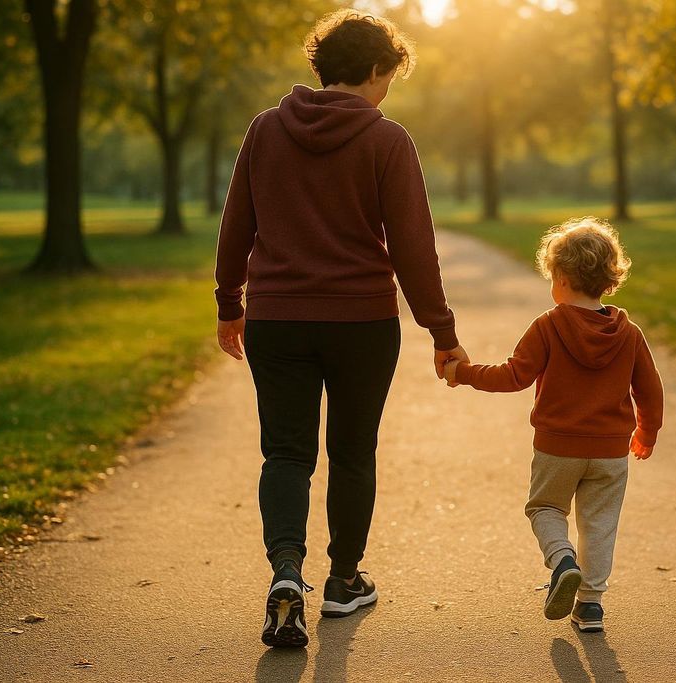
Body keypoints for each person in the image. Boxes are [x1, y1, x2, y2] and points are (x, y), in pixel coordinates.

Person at [213, 10, 468, 648]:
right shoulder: (387, 140)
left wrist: (229, 303)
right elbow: (414, 248)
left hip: (277, 318)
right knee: (353, 452)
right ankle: (343, 582)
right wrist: (442, 333)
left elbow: (235, 224)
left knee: (287, 453)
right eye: (390, 77)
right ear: (376, 70)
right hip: (362, 323)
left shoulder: (266, 130)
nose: (388, 92)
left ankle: (285, 576)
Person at [443, 217, 664, 633]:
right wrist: (646, 432)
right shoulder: (628, 333)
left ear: (561, 279)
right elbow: (651, 391)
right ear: (608, 280)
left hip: (557, 447)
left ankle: (562, 560)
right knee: (599, 523)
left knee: (545, 508)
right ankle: (591, 605)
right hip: (611, 451)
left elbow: (512, 376)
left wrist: (465, 372)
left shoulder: (548, 325)